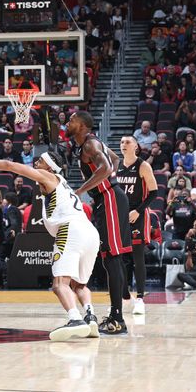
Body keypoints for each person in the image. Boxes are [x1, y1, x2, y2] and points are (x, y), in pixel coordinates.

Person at [0, 151, 101, 341]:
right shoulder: (64, 186)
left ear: (49, 166)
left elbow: (11, 166)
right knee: (79, 284)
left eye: (40, 161)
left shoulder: (50, 177)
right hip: (89, 232)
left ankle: (75, 319)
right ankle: (90, 318)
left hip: (71, 229)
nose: (35, 162)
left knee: (59, 284)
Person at [68, 111, 132, 335]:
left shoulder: (90, 145)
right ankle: (116, 315)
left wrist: (80, 190)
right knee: (109, 258)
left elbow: (106, 168)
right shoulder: (91, 143)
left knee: (113, 258)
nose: (68, 123)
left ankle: (118, 318)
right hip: (104, 200)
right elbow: (114, 160)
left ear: (83, 125)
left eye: (72, 120)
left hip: (110, 198)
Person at [117, 136, 158, 316]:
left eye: (127, 142)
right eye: (121, 142)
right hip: (120, 216)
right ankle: (126, 295)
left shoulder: (143, 166)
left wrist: (138, 211)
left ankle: (140, 298)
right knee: (120, 258)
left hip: (138, 215)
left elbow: (154, 192)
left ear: (136, 146)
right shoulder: (116, 165)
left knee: (137, 257)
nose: (123, 144)